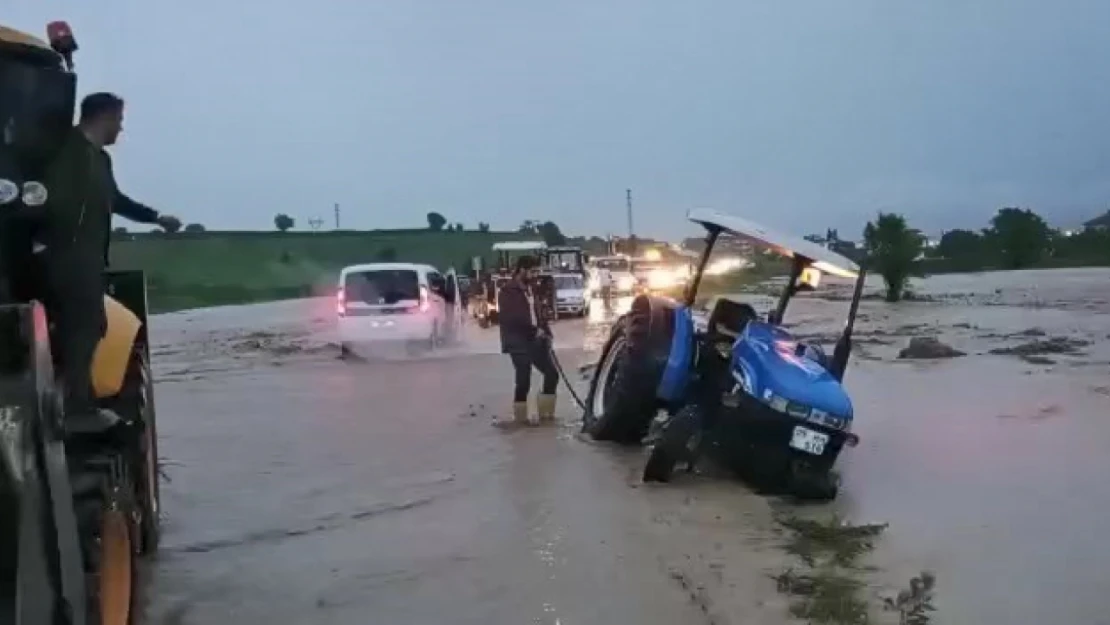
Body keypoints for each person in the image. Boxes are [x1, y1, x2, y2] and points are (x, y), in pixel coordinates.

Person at [39, 92, 180, 433]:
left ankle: (71, 398)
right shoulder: (64, 150)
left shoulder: (100, 160)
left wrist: (156, 217)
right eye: (119, 121)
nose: (120, 129)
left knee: (92, 325)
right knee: (85, 324)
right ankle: (76, 408)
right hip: (65, 254)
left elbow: (115, 200)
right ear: (103, 117)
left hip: (88, 256)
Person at [497, 255, 558, 427]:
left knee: (552, 374)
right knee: (523, 379)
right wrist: (534, 331)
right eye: (532, 271)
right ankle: (520, 420)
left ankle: (546, 416)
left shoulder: (532, 289)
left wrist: (548, 333)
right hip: (517, 341)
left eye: (536, 271)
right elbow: (513, 319)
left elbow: (540, 315)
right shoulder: (507, 292)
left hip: (536, 339)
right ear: (522, 270)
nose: (535, 274)